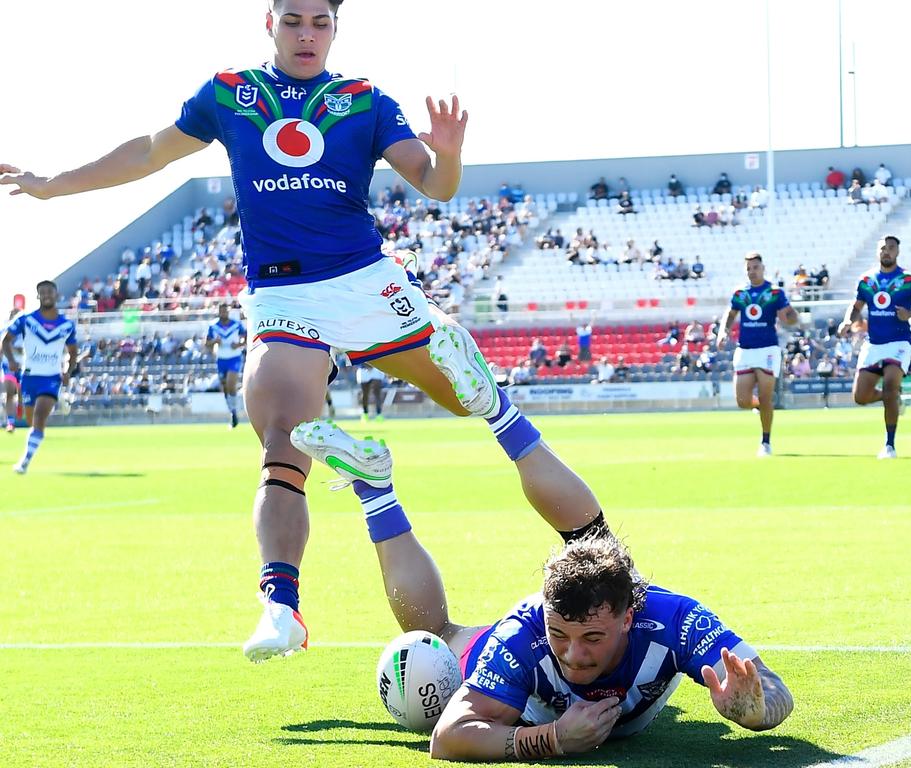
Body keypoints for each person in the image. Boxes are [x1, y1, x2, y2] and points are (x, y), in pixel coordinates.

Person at [1, 0, 556, 662]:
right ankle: (281, 607)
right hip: (284, 293)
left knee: (468, 398)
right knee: (281, 435)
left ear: (335, 29)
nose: (307, 34)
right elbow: (150, 152)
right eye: (294, 20)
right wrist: (51, 186)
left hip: (366, 281)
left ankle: (526, 490)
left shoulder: (364, 100)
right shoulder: (231, 93)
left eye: (320, 22)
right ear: (269, 23)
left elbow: (434, 184)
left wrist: (452, 154)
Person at [286, 420, 793, 760]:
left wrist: (754, 711)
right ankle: (377, 492)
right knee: (430, 641)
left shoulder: (675, 618)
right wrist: (548, 738)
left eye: (592, 637)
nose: (573, 655)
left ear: (628, 616)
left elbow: (775, 691)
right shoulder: (523, 637)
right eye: (561, 634)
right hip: (519, 686)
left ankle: (501, 412)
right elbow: (448, 739)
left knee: (601, 549)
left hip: (608, 638)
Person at [837, 236, 911, 459]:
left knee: (891, 385)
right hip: (873, 344)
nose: (887, 251)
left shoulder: (909, 280)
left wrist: (910, 314)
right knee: (860, 397)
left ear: (897, 252)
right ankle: (893, 399)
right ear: (877, 252)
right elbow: (856, 307)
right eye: (883, 248)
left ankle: (889, 445)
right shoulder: (866, 280)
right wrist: (847, 322)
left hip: (899, 343)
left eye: (891, 248)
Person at [716, 253, 798, 457]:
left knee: (765, 395)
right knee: (743, 401)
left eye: (755, 267)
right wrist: (723, 331)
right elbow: (731, 313)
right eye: (749, 269)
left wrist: (790, 318)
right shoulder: (740, 293)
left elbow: (791, 316)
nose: (752, 271)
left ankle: (766, 441)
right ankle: (763, 406)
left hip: (768, 350)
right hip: (745, 350)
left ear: (763, 268)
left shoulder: (774, 292)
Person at [2, 281, 79, 474]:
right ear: (38, 296)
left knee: (39, 416)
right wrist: (11, 360)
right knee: (31, 421)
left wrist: (68, 371)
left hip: (51, 378)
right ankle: (33, 438)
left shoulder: (67, 325)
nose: (46, 295)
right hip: (29, 377)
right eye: (42, 292)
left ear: (56, 295)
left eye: (49, 291)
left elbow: (73, 350)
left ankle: (25, 461)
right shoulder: (25, 319)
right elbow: (5, 340)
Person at [206, 303, 246, 429]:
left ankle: (234, 411)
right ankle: (232, 411)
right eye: (221, 311)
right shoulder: (213, 326)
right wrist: (214, 342)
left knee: (230, 383)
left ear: (228, 312)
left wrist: (239, 345)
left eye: (225, 311)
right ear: (218, 312)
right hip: (221, 358)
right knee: (224, 387)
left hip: (234, 357)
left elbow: (246, 337)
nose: (223, 313)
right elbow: (207, 343)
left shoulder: (236, 324)